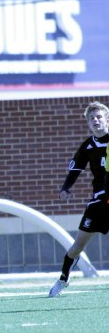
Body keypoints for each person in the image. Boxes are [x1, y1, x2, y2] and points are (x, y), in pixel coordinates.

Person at [49, 101, 109, 297]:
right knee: (77, 247)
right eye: (92, 118)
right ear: (89, 124)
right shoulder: (88, 146)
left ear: (107, 120)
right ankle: (63, 279)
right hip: (98, 204)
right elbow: (75, 170)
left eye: (99, 117)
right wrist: (66, 188)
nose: (96, 120)